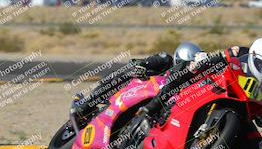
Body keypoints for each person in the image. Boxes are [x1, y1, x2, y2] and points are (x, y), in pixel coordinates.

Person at [138, 38, 262, 149]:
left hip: (242, 107)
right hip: (221, 86)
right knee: (191, 67)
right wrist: (205, 59)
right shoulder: (240, 51)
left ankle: (216, 141)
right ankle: (154, 105)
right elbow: (221, 57)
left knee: (256, 147)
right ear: (254, 56)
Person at [72, 42, 202, 121]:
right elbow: (144, 62)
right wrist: (141, 66)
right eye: (186, 64)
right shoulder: (165, 60)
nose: (187, 68)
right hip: (136, 89)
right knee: (125, 73)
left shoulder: (186, 81)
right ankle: (87, 104)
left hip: (152, 103)